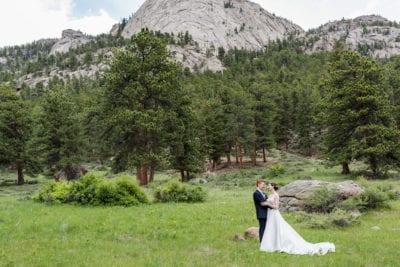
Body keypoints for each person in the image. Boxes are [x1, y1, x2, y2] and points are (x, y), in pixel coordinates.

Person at [260, 183, 335, 255]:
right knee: (271, 229)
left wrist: (267, 204)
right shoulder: (270, 195)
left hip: (274, 214)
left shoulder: (276, 195)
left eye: (269, 185)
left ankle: (279, 244)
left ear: (273, 186)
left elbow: (276, 207)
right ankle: (273, 245)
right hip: (270, 214)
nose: (268, 187)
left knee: (278, 228)